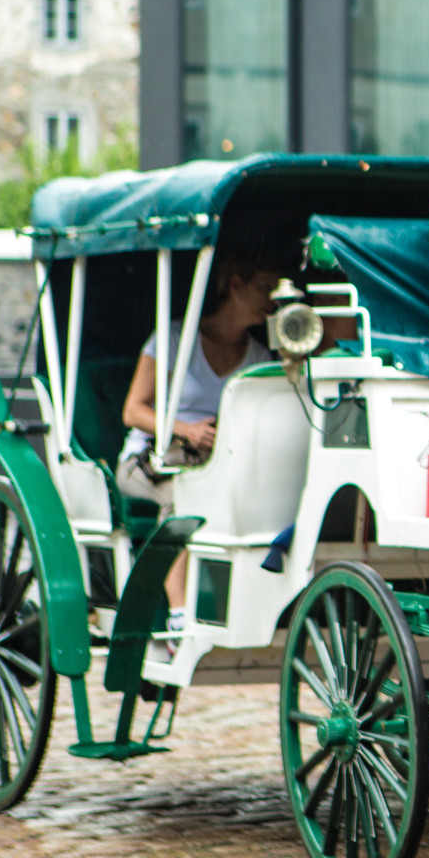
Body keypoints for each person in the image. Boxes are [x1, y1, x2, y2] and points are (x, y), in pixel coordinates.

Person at [117, 251, 287, 628]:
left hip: (215, 463)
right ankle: (180, 616)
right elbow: (133, 411)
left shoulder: (259, 356)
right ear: (235, 285)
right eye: (265, 288)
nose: (272, 300)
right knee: (186, 497)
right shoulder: (175, 339)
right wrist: (187, 429)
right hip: (150, 460)